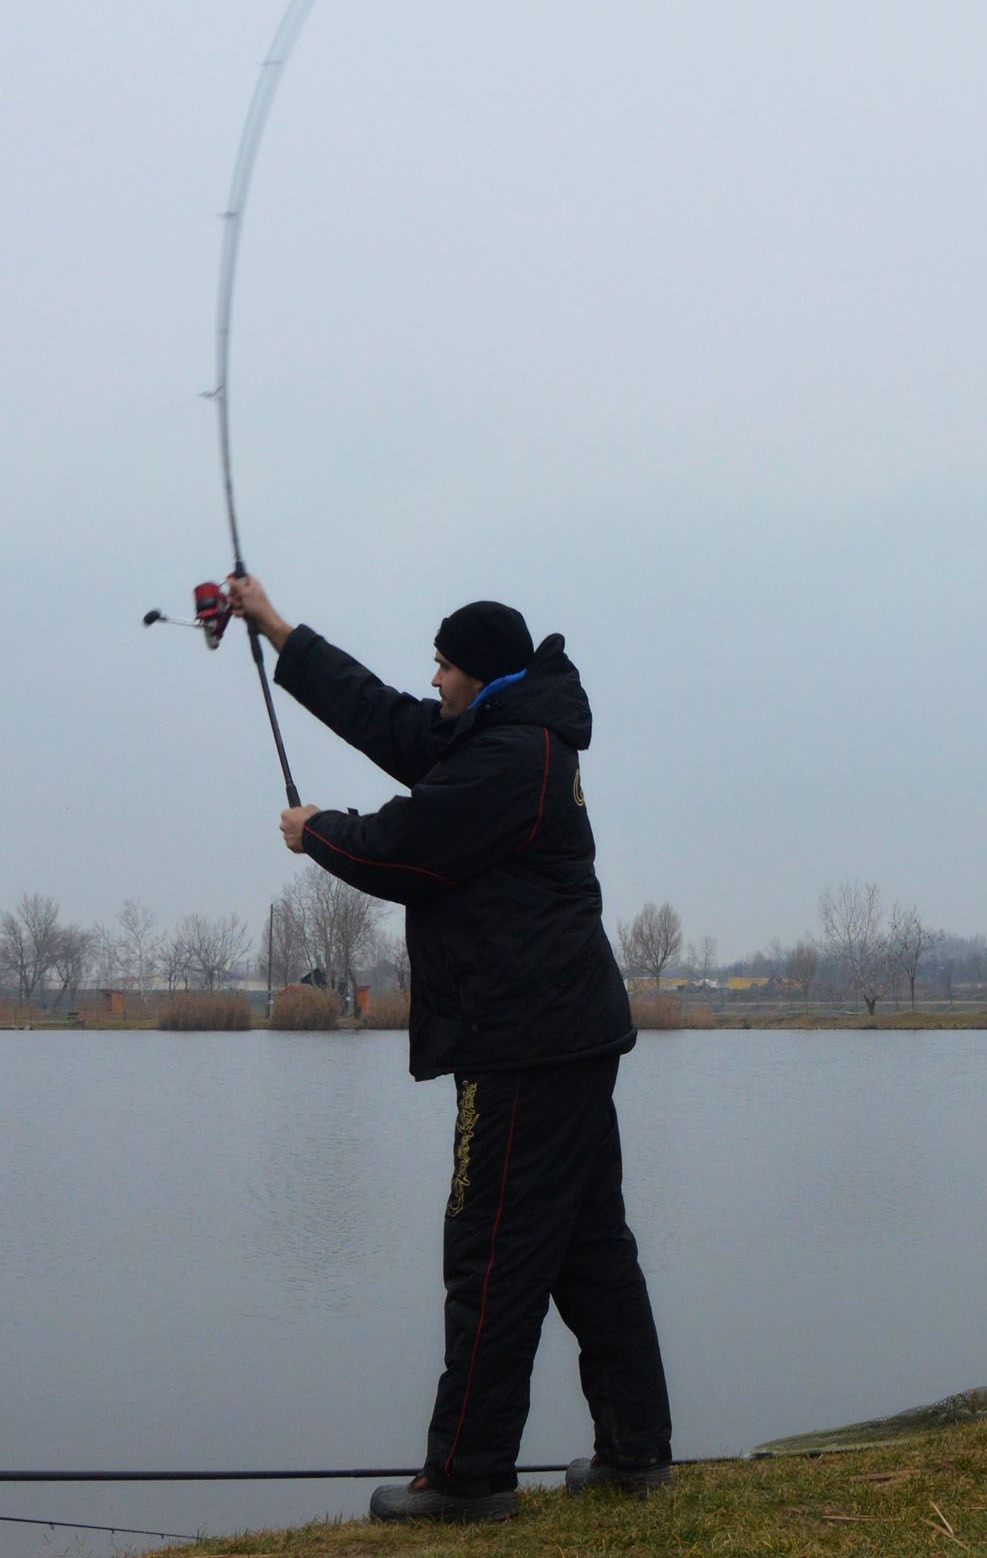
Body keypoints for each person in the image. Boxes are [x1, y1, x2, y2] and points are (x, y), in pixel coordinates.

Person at [228, 576, 672, 1524]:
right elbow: (385, 719)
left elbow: (406, 850)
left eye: (442, 665)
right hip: (567, 1040)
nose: (430, 680)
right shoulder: (503, 736)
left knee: (492, 1254)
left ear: (480, 676)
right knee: (590, 1250)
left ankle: (469, 1477)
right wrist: (277, 630)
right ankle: (637, 1454)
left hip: (523, 1048)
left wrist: (320, 834)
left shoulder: (513, 761)